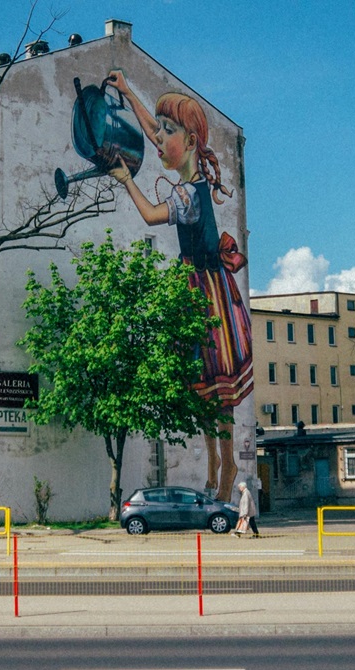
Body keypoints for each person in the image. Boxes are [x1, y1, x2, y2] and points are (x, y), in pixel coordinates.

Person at [105, 69, 254, 502]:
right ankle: (212, 469)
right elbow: (153, 131)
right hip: (195, 291)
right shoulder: (191, 181)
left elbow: (152, 215)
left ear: (189, 141)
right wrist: (127, 90)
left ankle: (225, 472)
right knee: (204, 393)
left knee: (217, 388)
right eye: (161, 129)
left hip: (208, 295)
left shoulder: (190, 195)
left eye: (169, 132)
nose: (157, 139)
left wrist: (127, 180)